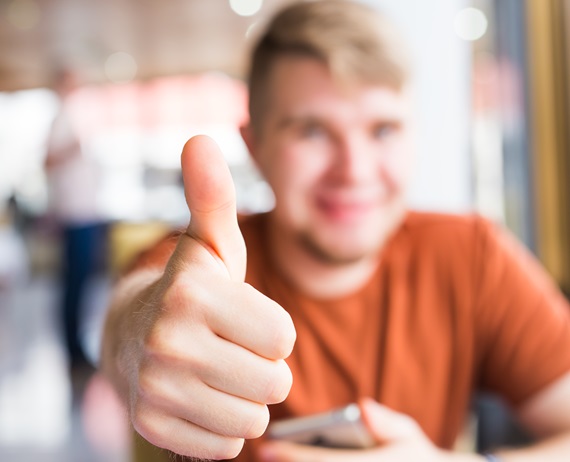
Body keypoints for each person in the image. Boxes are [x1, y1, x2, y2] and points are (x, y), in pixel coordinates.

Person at [100, 1, 570, 461]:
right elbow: (135, 318)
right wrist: (139, 339)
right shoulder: (206, 260)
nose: (355, 171)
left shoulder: (470, 255)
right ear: (256, 145)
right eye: (312, 131)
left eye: (383, 129)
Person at [45, 68, 109, 373]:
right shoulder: (62, 118)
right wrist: (73, 148)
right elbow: (48, 160)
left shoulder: (73, 116)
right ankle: (73, 352)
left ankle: (77, 348)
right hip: (75, 216)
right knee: (75, 284)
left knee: (83, 284)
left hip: (85, 212)